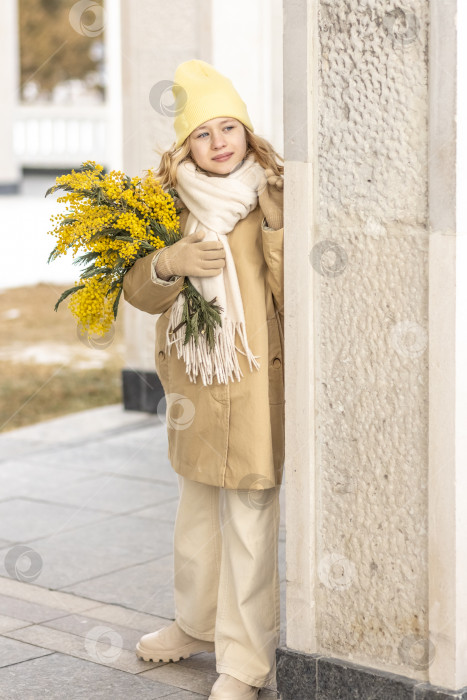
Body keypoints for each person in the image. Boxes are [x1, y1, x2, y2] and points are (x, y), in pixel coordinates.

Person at [122, 59, 284, 700]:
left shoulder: (270, 195)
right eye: (202, 133)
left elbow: (292, 295)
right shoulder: (165, 207)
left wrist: (274, 228)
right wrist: (168, 261)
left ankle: (245, 661)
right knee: (195, 519)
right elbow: (136, 292)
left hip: (251, 388)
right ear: (184, 147)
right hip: (194, 389)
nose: (219, 143)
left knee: (249, 520)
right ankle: (195, 624)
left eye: (229, 127)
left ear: (247, 133)